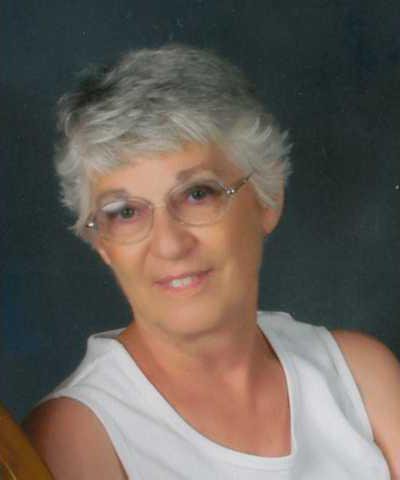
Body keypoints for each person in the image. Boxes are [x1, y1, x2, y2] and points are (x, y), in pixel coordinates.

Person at [24, 44, 399, 479]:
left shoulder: (359, 374)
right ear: (102, 243)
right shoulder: (77, 437)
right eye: (125, 213)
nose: (169, 245)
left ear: (268, 198)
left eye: (197, 194)